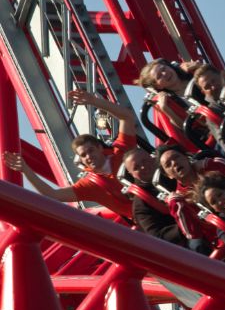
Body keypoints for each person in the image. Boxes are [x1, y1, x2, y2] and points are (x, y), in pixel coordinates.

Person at [2, 89, 137, 218]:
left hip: (155, 196)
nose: (88, 156)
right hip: (144, 217)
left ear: (100, 148)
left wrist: (94, 101)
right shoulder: (90, 185)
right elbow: (53, 195)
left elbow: (127, 117)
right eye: (83, 155)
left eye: (91, 151)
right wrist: (25, 170)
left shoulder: (122, 151)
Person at [124, 148, 185, 246]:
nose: (143, 167)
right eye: (136, 167)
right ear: (132, 174)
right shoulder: (140, 205)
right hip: (186, 237)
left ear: (152, 158)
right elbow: (157, 235)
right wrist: (185, 226)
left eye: (144, 161)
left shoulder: (172, 168)